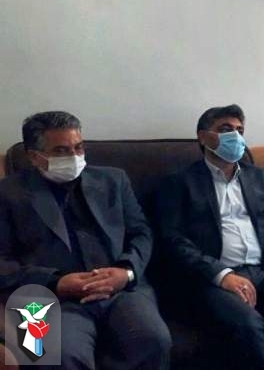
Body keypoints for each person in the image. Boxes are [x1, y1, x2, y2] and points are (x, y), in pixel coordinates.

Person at [155, 105, 264, 370]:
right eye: (225, 129)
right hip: (213, 277)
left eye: (239, 130)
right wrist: (221, 275)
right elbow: (173, 241)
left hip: (263, 271)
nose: (235, 136)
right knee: (250, 324)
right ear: (203, 137)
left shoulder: (260, 178)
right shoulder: (179, 183)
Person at [0, 111, 171, 369]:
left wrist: (126, 272)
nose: (74, 156)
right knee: (55, 355)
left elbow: (142, 233)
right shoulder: (9, 193)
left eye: (78, 147)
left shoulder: (113, 180)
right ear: (34, 157)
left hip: (119, 289)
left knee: (154, 340)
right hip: (48, 296)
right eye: (61, 151)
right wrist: (56, 282)